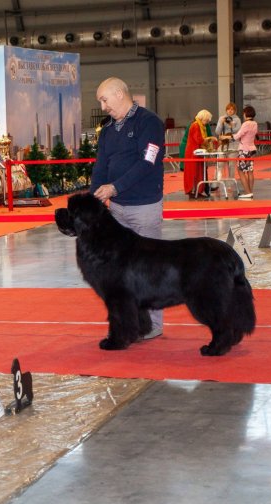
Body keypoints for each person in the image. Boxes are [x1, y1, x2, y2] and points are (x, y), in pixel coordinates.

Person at [90, 76, 165, 340]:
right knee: (121, 272)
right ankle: (130, 322)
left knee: (148, 269)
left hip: (144, 208)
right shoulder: (109, 130)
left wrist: (115, 188)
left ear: (120, 94)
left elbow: (148, 163)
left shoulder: (150, 123)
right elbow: (100, 167)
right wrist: (93, 198)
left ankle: (153, 324)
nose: (103, 106)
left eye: (104, 99)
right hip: (116, 212)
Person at [183, 109, 215, 197]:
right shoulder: (196, 125)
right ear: (203, 118)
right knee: (193, 172)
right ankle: (193, 191)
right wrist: (210, 139)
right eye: (206, 120)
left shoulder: (200, 126)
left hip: (198, 152)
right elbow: (198, 139)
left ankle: (198, 191)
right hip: (193, 152)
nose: (207, 122)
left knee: (199, 172)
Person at [232, 105, 258, 199]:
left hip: (244, 150)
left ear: (245, 114)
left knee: (240, 171)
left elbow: (237, 136)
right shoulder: (255, 123)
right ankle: (250, 192)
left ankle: (247, 192)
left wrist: (227, 137)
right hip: (252, 149)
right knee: (250, 171)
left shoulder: (246, 124)